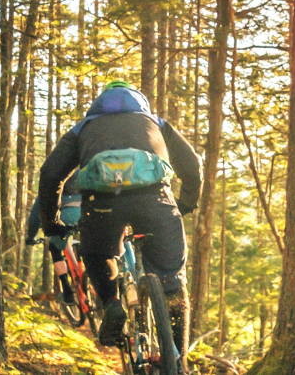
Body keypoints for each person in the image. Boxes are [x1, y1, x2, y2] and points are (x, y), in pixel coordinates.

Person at [37, 80, 202, 358]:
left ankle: (112, 303)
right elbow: (193, 164)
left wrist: (51, 222)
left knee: (98, 254)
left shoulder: (84, 128)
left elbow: (50, 174)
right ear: (141, 104)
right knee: (173, 281)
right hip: (155, 201)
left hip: (102, 204)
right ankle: (179, 358)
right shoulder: (155, 123)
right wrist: (186, 203)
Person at [24, 172, 82, 306]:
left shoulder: (51, 181)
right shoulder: (83, 173)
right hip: (87, 214)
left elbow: (34, 217)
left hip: (66, 217)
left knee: (55, 248)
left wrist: (31, 237)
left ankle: (67, 290)